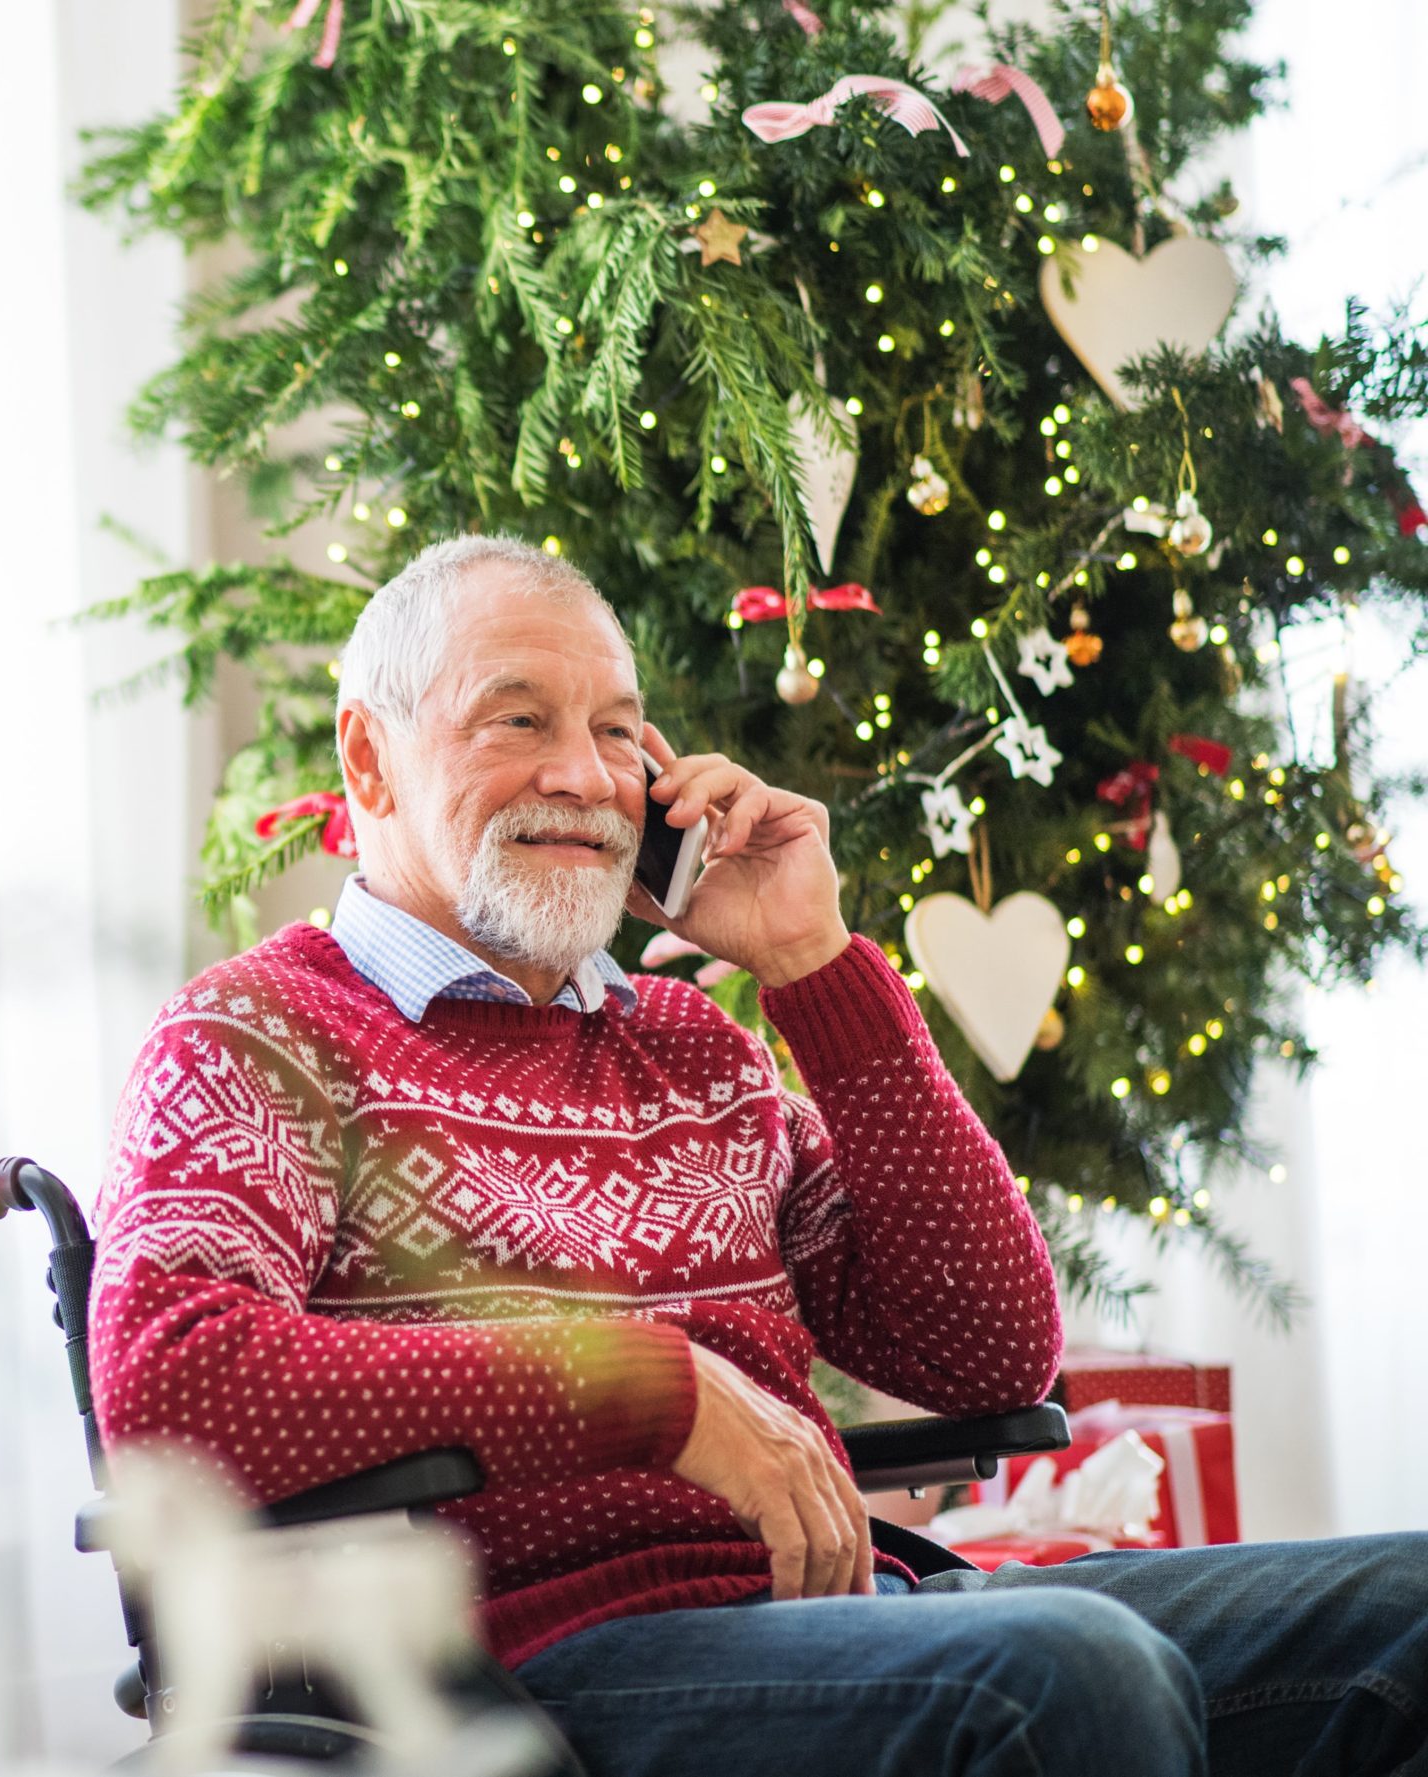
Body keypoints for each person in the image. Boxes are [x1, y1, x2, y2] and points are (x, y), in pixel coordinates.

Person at [86, 534, 1428, 1775]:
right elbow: (171, 1378)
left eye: (620, 732)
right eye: (521, 721)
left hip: (850, 1618)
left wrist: (813, 959)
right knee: (1061, 1674)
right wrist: (651, 1389)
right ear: (369, 760)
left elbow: (987, 1351)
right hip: (523, 1669)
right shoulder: (260, 1032)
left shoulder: (691, 1045)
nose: (588, 775)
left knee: (1407, 1610)